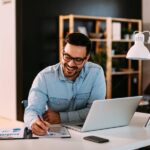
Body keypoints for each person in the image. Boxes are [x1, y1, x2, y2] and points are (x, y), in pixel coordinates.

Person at [24, 32, 106, 135]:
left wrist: (60, 117)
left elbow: (94, 111)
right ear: (62, 52)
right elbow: (32, 110)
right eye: (67, 56)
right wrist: (33, 122)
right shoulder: (44, 77)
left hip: (87, 132)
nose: (71, 64)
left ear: (86, 58)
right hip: (54, 133)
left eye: (78, 60)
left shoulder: (96, 73)